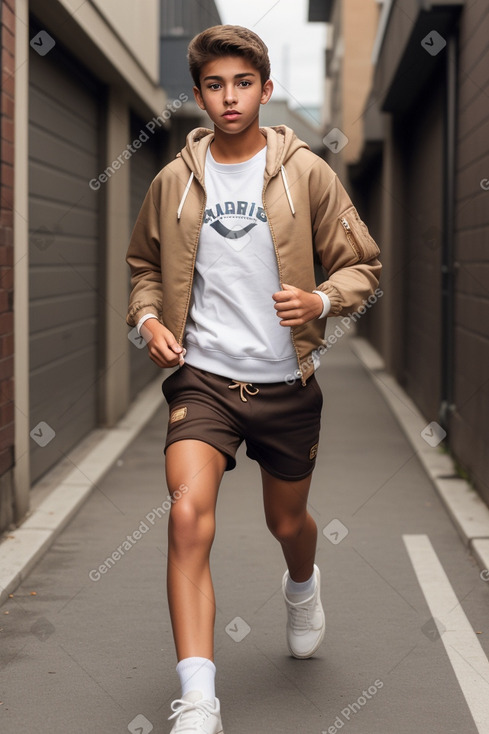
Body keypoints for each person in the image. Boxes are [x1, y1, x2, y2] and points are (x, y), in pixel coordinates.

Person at [126, 24, 381, 734]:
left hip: (286, 383)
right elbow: (144, 269)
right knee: (185, 514)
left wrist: (321, 300)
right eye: (214, 84)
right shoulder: (174, 180)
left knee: (286, 521)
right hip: (204, 382)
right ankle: (200, 699)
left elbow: (364, 263)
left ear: (265, 90)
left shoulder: (306, 173)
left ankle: (301, 583)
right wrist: (148, 324)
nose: (228, 97)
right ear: (199, 93)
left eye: (242, 83)